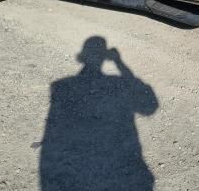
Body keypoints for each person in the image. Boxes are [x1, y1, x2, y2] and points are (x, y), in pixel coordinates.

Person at [40, 37, 157, 190]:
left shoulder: (61, 85)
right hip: (120, 166)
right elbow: (149, 107)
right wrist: (119, 62)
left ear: (82, 56)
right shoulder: (115, 82)